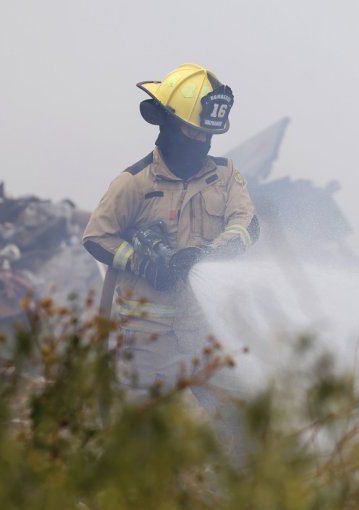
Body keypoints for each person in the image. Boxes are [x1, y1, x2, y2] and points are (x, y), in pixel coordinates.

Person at [82, 63, 259, 460]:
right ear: (166, 122)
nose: (201, 141)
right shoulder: (134, 182)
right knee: (135, 449)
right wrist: (145, 264)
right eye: (192, 131)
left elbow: (247, 223)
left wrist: (211, 255)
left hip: (203, 334)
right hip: (146, 340)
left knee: (246, 431)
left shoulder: (226, 177)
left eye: (208, 134)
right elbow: (97, 236)